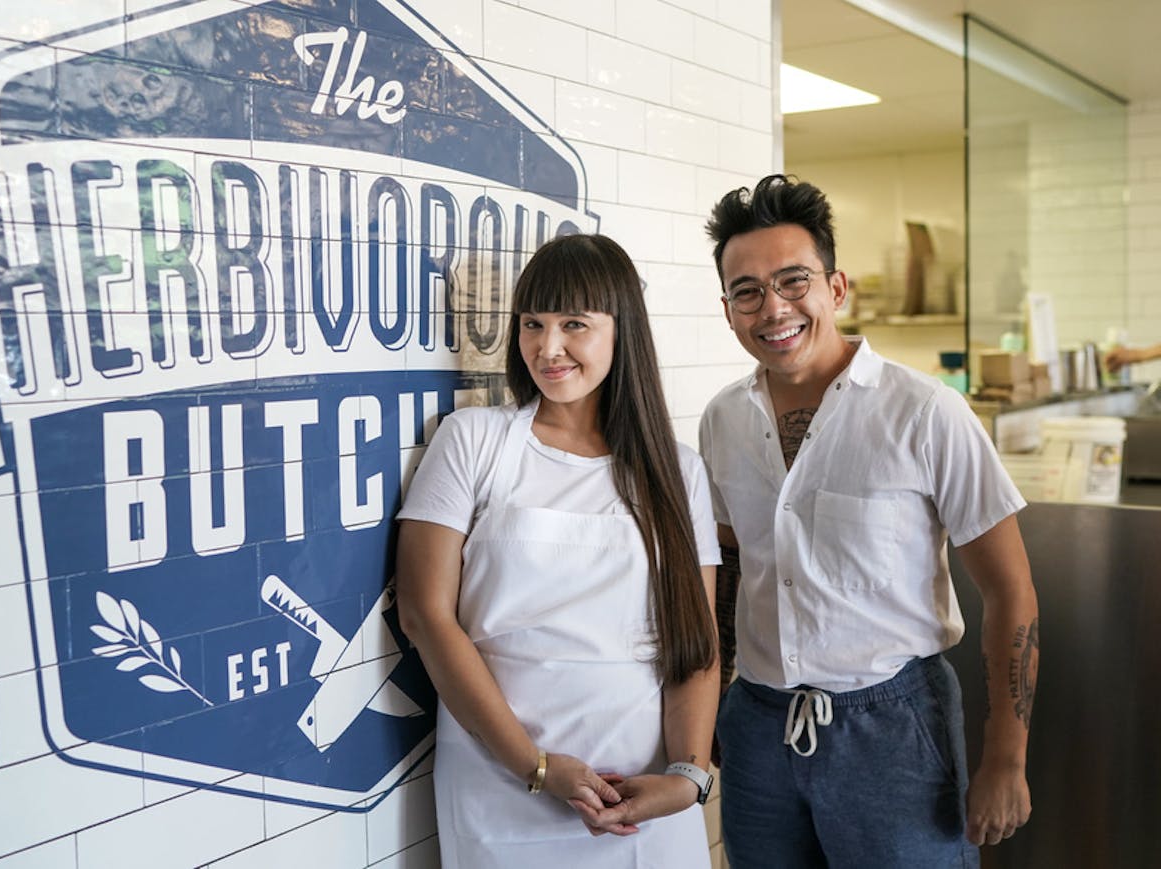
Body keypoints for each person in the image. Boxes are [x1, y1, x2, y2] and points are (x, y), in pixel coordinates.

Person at [699, 175, 1040, 868]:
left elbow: (1010, 591)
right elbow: (732, 565)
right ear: (729, 309)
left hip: (893, 729)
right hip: (758, 725)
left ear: (836, 287)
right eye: (747, 291)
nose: (773, 308)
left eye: (794, 281)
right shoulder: (722, 420)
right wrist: (711, 699)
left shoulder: (924, 412)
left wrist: (1006, 756)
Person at [396, 234, 721, 867]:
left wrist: (686, 777)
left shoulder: (677, 473)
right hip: (501, 782)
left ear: (621, 331)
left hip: (642, 789)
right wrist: (536, 766)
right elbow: (424, 616)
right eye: (532, 324)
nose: (549, 348)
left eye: (575, 324)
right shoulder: (473, 442)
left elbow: (696, 643)